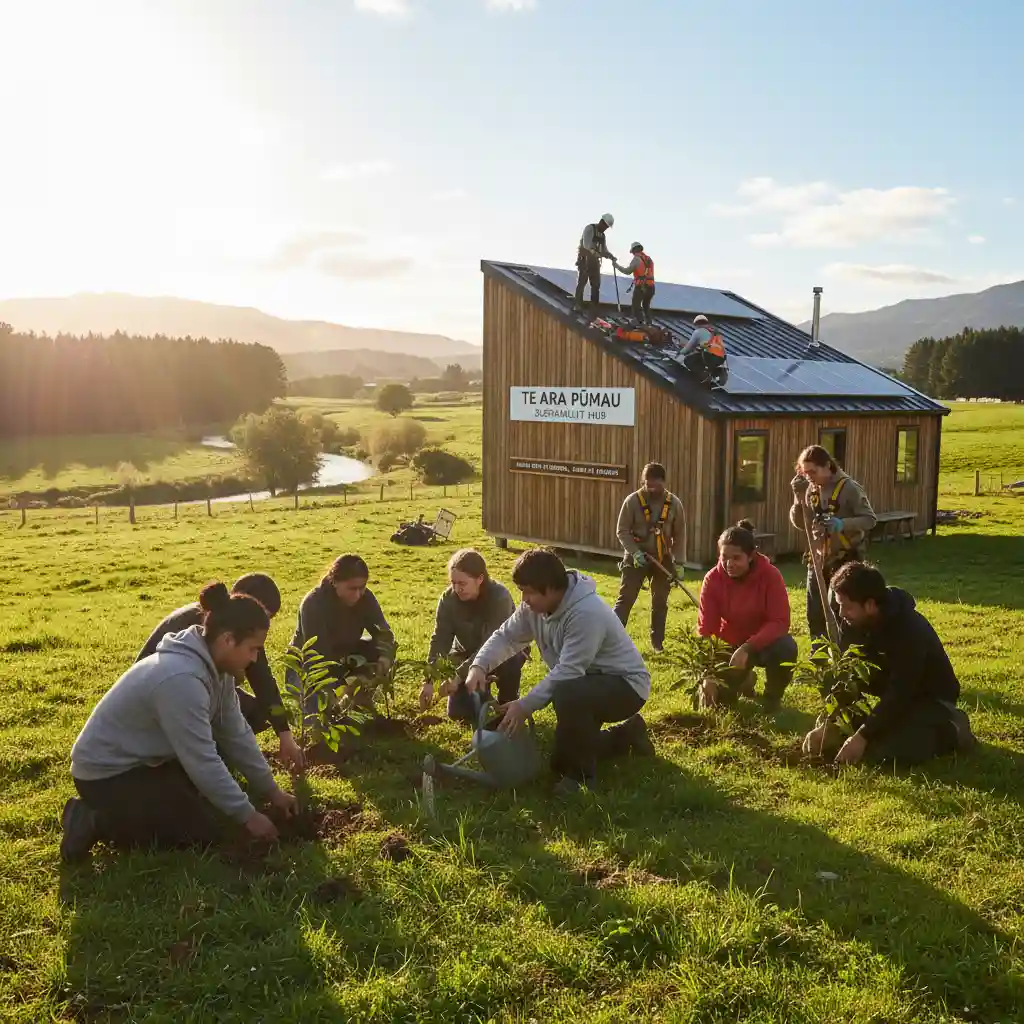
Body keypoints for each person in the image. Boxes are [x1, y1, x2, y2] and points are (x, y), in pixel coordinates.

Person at [61, 583, 299, 862]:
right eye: (252, 649)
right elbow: (201, 759)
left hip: (148, 763)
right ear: (227, 640)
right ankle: (92, 819)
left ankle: (152, 808)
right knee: (198, 834)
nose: (255, 658)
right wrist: (249, 817)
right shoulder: (180, 680)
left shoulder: (219, 671)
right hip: (106, 774)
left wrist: (272, 792)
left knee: (202, 811)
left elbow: (236, 734)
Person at [465, 548, 653, 796]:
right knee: (560, 758)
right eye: (522, 591)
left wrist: (525, 705)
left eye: (529, 592)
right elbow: (506, 637)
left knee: (568, 695)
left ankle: (580, 778)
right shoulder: (532, 608)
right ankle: (629, 734)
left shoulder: (586, 613)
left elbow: (568, 671)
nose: (524, 599)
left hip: (626, 686)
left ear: (552, 588)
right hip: (586, 680)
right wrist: (479, 666)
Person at [802, 562, 975, 767]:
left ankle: (953, 729)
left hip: (928, 698)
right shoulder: (853, 622)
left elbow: (901, 690)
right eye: (839, 605)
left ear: (870, 605)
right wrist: (832, 722)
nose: (841, 613)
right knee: (854, 723)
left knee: (886, 754)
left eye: (847, 607)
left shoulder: (910, 630)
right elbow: (849, 675)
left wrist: (863, 736)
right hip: (889, 691)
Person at [136, 573, 303, 770]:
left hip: (186, 692)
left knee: (252, 712)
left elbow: (262, 680)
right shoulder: (205, 624)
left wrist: (284, 733)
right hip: (160, 701)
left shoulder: (240, 630)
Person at [696, 520, 798, 712]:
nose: (729, 564)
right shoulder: (713, 579)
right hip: (729, 644)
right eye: (724, 557)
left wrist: (748, 647)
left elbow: (779, 622)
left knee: (786, 647)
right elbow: (706, 629)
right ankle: (745, 680)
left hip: (763, 644)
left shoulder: (770, 575)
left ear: (751, 556)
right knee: (721, 703)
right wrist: (708, 673)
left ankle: (772, 699)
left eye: (736, 558)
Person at [420, 549, 526, 722]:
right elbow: (440, 639)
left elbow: (492, 645)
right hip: (465, 653)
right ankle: (481, 693)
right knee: (459, 714)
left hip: (502, 653)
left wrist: (458, 676)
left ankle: (507, 701)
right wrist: (429, 679)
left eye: (462, 583)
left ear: (480, 579)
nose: (457, 589)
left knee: (511, 660)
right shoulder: (448, 599)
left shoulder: (499, 598)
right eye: (453, 582)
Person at [289, 554, 397, 715]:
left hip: (343, 656)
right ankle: (336, 703)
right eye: (352, 588)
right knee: (319, 720)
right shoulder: (313, 604)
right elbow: (318, 657)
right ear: (335, 582)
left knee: (377, 649)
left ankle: (361, 700)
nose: (358, 594)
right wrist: (345, 683)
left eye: (362, 587)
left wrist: (385, 657)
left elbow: (384, 633)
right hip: (309, 666)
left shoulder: (366, 598)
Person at [789, 445, 877, 641]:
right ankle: (819, 655)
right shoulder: (809, 489)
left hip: (845, 559)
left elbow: (870, 520)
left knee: (841, 613)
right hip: (818, 559)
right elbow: (801, 524)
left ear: (827, 466)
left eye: (813, 472)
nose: (809, 477)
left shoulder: (849, 488)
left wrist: (842, 524)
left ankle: (845, 654)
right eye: (805, 473)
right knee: (815, 614)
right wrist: (797, 500)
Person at [613, 462, 687, 653]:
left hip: (663, 558)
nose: (651, 488)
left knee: (660, 602)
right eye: (648, 484)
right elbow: (622, 531)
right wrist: (635, 552)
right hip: (636, 557)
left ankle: (657, 644)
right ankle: (611, 640)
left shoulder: (674, 504)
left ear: (663, 482)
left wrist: (679, 563)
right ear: (643, 481)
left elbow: (680, 535)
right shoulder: (632, 501)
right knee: (625, 599)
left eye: (656, 485)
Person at [572, 213, 615, 315]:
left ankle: (594, 307)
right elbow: (586, 245)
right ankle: (578, 304)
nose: (605, 229)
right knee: (582, 281)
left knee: (596, 284)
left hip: (594, 261)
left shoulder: (602, 236)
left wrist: (610, 256)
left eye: (607, 227)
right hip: (585, 259)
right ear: (601, 222)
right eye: (605, 226)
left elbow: (603, 250)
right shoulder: (590, 228)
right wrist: (596, 253)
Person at [614, 242, 655, 325]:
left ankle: (639, 322)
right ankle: (649, 323)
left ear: (634, 250)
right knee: (646, 305)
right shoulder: (648, 259)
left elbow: (627, 271)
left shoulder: (636, 259)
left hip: (641, 287)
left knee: (636, 305)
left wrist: (616, 266)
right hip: (651, 287)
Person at [680, 314, 728, 382]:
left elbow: (688, 348)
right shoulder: (713, 331)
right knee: (703, 360)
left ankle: (704, 376)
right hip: (721, 359)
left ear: (697, 324)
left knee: (689, 360)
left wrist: (681, 352)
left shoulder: (698, 331)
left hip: (710, 356)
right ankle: (714, 374)